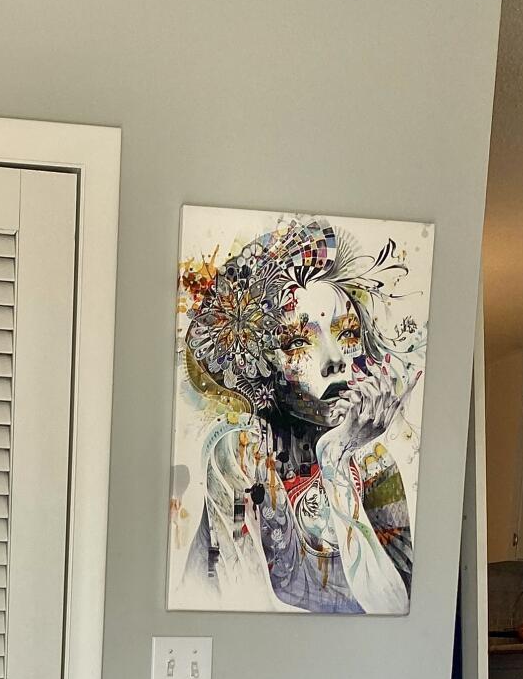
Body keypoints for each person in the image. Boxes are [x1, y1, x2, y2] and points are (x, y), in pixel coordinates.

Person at [174, 218, 422, 614]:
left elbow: (396, 611)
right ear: (264, 362)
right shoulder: (242, 454)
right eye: (299, 340)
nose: (335, 362)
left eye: (345, 332)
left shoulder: (374, 464)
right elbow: (239, 606)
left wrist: (335, 459)